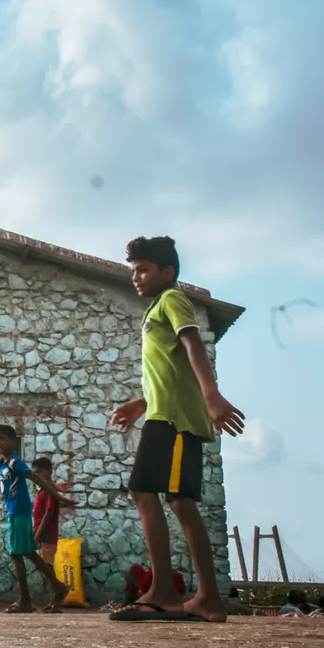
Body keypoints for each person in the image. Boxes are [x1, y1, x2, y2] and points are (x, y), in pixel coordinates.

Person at [108, 236, 246, 624]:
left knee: (144, 490)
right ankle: (207, 599)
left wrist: (212, 394)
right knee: (179, 501)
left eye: (143, 269)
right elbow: (168, 372)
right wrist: (141, 403)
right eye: (133, 270)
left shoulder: (172, 300)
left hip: (173, 421)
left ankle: (166, 591)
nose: (136, 276)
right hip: (162, 413)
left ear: (166, 272)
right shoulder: (157, 308)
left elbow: (193, 346)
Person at [0, 425, 71, 614]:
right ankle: (55, 586)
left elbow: (36, 479)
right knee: (26, 552)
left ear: (13, 441)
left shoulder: (15, 463)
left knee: (17, 554)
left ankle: (27, 599)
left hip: (19, 513)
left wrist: (59, 495)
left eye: (2, 439)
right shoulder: (3, 465)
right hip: (14, 512)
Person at [30, 457, 79, 566]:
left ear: (50, 471)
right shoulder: (44, 489)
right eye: (35, 473)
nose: (37, 475)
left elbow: (48, 514)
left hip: (46, 535)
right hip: (42, 534)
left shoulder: (49, 491)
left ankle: (56, 584)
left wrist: (37, 535)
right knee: (44, 567)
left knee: (48, 568)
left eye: (40, 471)